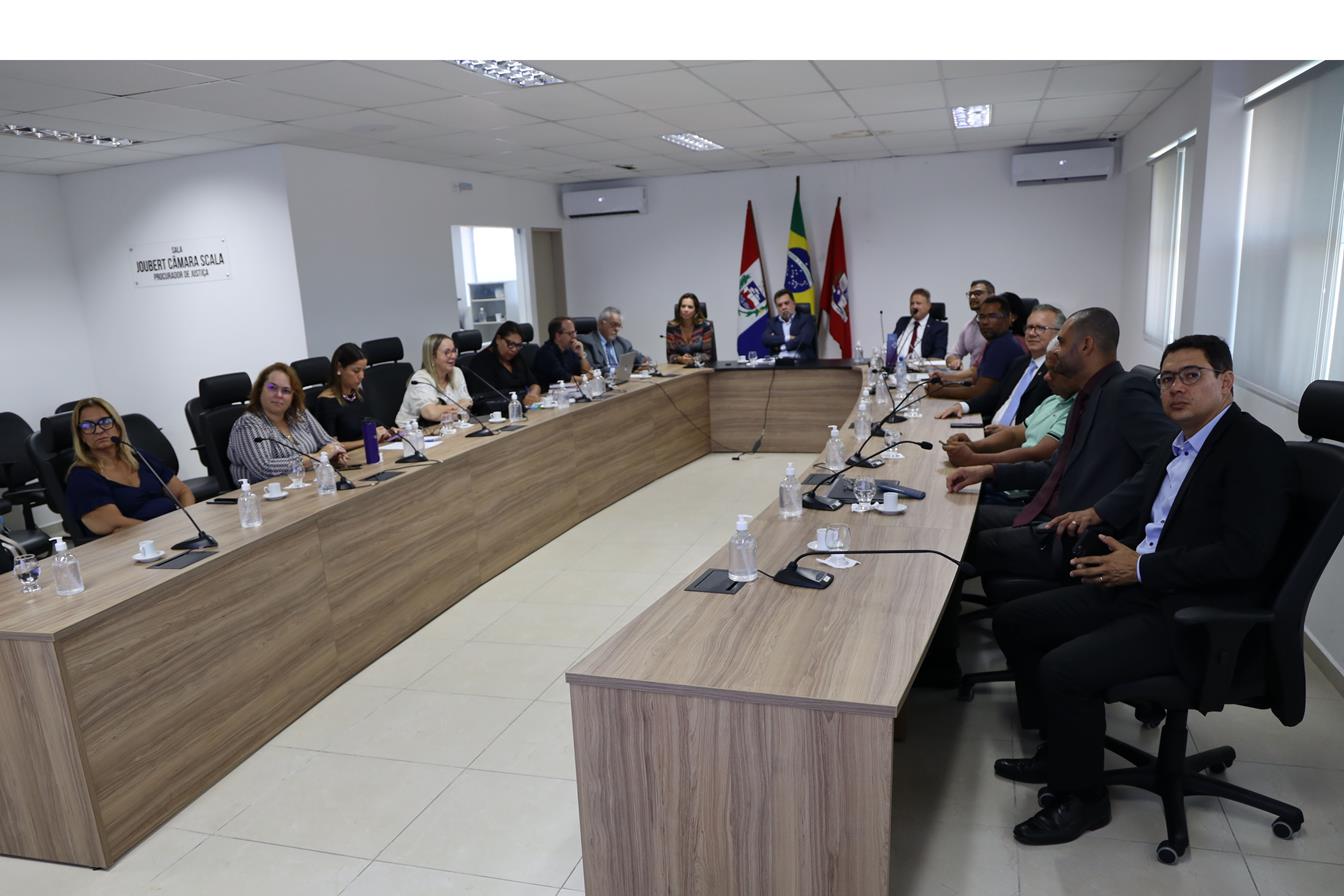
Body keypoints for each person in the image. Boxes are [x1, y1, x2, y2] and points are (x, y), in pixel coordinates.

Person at [991, 335, 1293, 846]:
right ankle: (1061, 752)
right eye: (1167, 378)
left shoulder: (1255, 449)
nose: (1175, 388)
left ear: (1226, 382)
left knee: (1064, 669)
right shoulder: (1179, 444)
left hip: (1192, 612)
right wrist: (1113, 550)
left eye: (1191, 376)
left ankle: (1084, 801)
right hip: (1143, 586)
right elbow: (1154, 519)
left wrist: (1142, 568)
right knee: (1017, 620)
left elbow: (1243, 557)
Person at [947, 308, 1178, 583]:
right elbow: (1053, 468)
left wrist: (1101, 511)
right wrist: (988, 472)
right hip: (1049, 514)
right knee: (958, 519)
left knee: (963, 541)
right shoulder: (1088, 397)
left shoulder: (1125, 391)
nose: (1056, 349)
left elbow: (1168, 457)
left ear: (1086, 345)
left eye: (1063, 342)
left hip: (1075, 535)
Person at [943, 351, 1077, 505]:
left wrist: (973, 459)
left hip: (1023, 489)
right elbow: (1014, 435)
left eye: (1054, 372)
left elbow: (1037, 454)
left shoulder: (1075, 410)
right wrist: (973, 446)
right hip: (1008, 475)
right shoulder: (1054, 399)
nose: (1046, 377)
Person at [64, 397, 195, 536]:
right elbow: (115, 524)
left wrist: (188, 521)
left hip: (175, 530)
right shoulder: (82, 477)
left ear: (117, 426)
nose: (99, 430)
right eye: (87, 426)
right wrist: (164, 531)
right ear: (81, 436)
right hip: (139, 542)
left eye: (105, 422)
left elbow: (183, 492)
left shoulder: (139, 457)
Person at [937, 304, 1063, 424]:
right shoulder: (1019, 363)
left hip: (1017, 437)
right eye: (1029, 327)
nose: (1031, 333)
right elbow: (995, 396)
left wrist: (1008, 435)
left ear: (1059, 334)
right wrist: (963, 406)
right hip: (990, 430)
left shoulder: (1057, 373)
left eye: (1040, 328)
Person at [228, 362, 346, 485]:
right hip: (265, 492)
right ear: (260, 390)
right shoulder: (248, 424)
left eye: (286, 391)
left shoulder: (299, 413)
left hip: (307, 483)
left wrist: (338, 454)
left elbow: (329, 442)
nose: (279, 395)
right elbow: (264, 468)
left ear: (293, 396)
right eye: (272, 388)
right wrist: (319, 457)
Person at [926, 294, 1025, 404]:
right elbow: (977, 383)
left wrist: (940, 391)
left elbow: (979, 393)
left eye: (992, 316)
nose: (985, 322)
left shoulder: (1002, 346)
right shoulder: (997, 342)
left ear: (1008, 318)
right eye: (982, 317)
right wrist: (946, 382)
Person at [313, 343, 394, 449]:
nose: (362, 376)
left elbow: (370, 423)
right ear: (339, 368)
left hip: (371, 449)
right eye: (356, 371)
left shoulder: (358, 394)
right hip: (351, 456)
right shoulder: (326, 402)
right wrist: (369, 440)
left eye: (363, 370)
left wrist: (388, 432)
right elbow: (331, 446)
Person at [397, 334, 473, 427]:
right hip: (415, 432)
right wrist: (459, 407)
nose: (453, 356)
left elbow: (468, 403)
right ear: (432, 356)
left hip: (450, 427)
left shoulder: (456, 372)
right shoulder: (420, 379)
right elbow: (431, 414)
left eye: (454, 351)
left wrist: (441, 410)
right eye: (447, 352)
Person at [468, 320, 542, 411]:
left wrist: (533, 394)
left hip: (523, 408)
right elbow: (485, 401)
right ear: (498, 339)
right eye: (511, 344)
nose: (514, 349)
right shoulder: (481, 362)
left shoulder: (517, 357)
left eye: (518, 345)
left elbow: (534, 383)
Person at [885, 288, 948, 367]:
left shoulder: (939, 327)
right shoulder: (902, 322)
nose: (914, 306)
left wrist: (920, 364)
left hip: (921, 370)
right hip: (897, 368)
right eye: (912, 303)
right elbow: (892, 346)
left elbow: (939, 354)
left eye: (918, 303)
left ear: (929, 306)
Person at [579, 306, 651, 373]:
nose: (617, 329)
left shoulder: (623, 343)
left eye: (619, 326)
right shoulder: (587, 342)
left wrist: (645, 362)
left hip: (622, 380)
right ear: (600, 324)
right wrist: (615, 370)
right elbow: (592, 369)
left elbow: (640, 359)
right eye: (614, 325)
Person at [945, 279, 993, 370]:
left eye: (978, 293)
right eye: (970, 294)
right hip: (973, 377)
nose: (972, 297)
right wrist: (953, 361)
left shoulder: (1000, 325)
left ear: (992, 296)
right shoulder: (969, 327)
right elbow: (952, 355)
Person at [534, 317, 593, 385]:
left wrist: (581, 355)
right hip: (552, 390)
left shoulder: (570, 349)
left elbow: (587, 372)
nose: (574, 336)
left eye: (574, 332)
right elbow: (565, 378)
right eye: (570, 333)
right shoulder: (545, 353)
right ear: (558, 336)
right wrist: (586, 378)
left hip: (572, 389)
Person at [761, 289, 818, 361]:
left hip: (801, 362)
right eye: (780, 305)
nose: (783, 307)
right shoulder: (772, 322)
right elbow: (765, 339)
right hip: (778, 362)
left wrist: (781, 347)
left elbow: (803, 340)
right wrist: (787, 338)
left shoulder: (806, 319)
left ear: (794, 303)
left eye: (786, 303)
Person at [666, 293, 716, 365]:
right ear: (679, 309)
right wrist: (681, 359)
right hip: (679, 368)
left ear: (696, 310)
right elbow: (670, 356)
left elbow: (708, 355)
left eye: (690, 307)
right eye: (683, 306)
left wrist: (693, 359)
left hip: (702, 367)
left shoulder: (705, 326)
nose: (686, 309)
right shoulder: (672, 327)